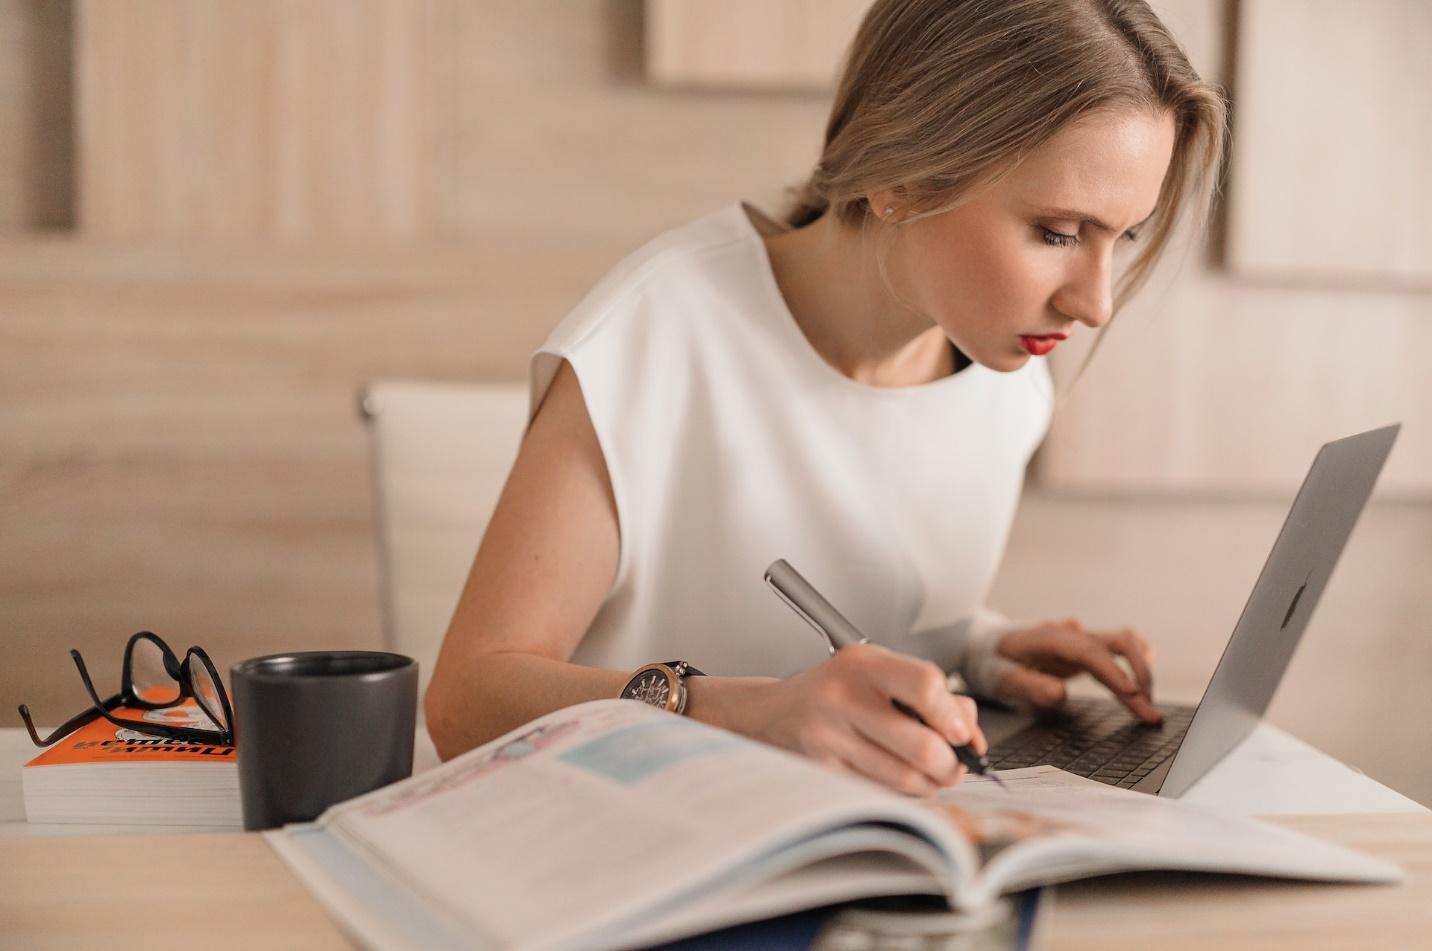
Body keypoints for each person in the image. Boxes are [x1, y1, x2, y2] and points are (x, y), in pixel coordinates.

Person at [426, 0, 1227, 797]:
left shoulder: (1006, 380)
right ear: (900, 176)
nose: (1094, 304)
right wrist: (744, 711)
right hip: (626, 845)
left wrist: (983, 648)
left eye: (1120, 237)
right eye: (1057, 232)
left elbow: (861, 622)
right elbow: (465, 703)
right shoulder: (656, 335)